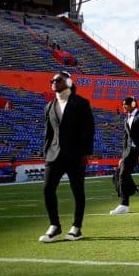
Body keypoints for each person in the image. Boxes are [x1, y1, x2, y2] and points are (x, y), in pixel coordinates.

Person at [39, 71, 94, 242]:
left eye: (58, 80)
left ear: (68, 82)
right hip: (53, 155)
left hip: (75, 154)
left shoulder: (81, 103)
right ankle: (54, 226)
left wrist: (86, 153)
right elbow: (48, 133)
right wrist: (45, 152)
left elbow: (89, 129)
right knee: (48, 188)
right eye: (52, 80)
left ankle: (76, 228)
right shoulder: (49, 106)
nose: (53, 82)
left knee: (77, 191)